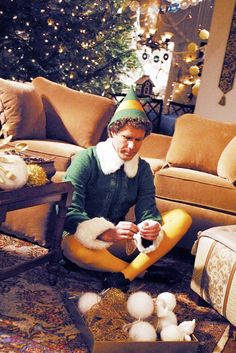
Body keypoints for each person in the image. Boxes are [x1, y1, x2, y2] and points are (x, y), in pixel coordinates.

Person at [62, 86, 192, 289]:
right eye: (127, 138)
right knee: (72, 247)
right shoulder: (85, 160)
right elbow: (67, 211)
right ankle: (143, 271)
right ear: (113, 132)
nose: (132, 146)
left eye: (138, 140)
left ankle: (125, 275)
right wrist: (104, 232)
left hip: (120, 242)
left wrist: (151, 226)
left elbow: (148, 210)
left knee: (181, 217)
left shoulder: (143, 169)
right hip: (84, 239)